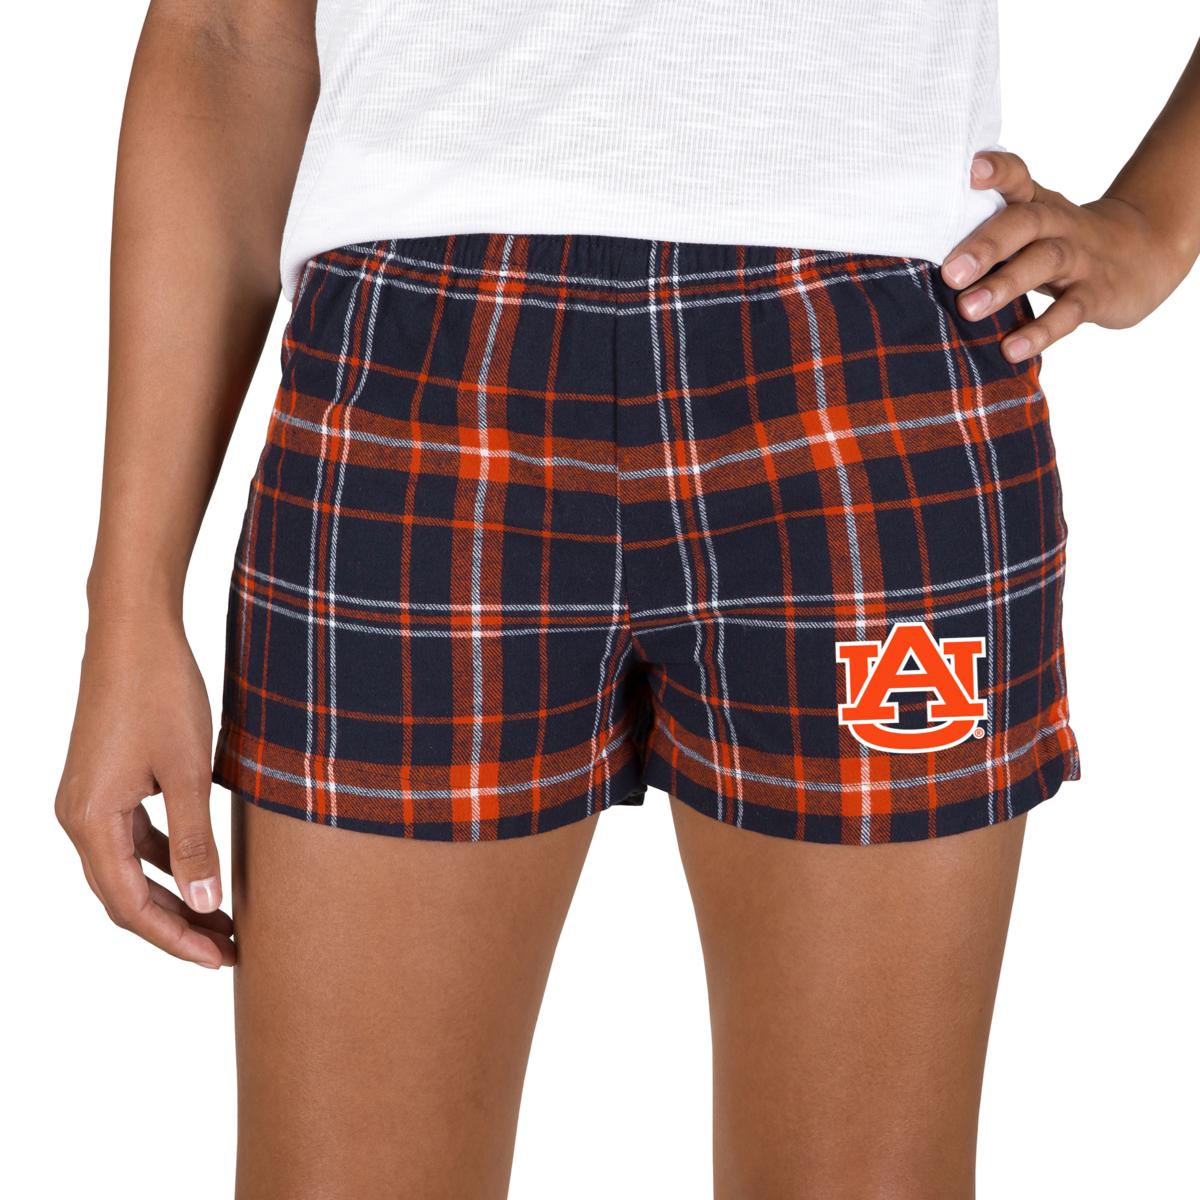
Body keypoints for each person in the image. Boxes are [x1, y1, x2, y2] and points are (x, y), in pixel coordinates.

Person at [55, 2, 1199, 1196]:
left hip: (862, 378)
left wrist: (1158, 225)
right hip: (421, 379)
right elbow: (228, 36)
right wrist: (128, 599)